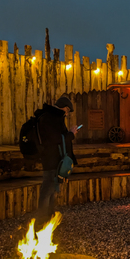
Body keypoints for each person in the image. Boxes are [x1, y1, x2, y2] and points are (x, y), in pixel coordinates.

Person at [35, 95, 79, 228]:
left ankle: (48, 218)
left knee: (51, 188)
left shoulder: (51, 116)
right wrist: (71, 134)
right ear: (65, 108)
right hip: (51, 160)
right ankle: (41, 221)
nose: (67, 114)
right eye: (67, 111)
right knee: (47, 189)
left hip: (54, 159)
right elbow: (55, 139)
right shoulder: (51, 118)